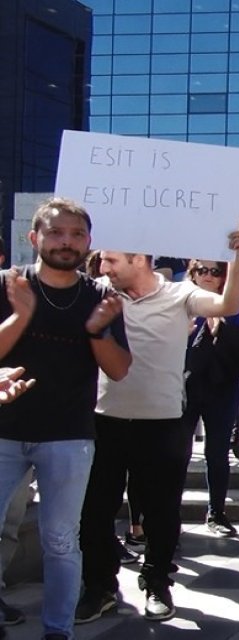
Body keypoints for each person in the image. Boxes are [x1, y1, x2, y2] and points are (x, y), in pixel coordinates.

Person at [76, 234, 239, 625]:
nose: (103, 268)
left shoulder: (180, 293)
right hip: (104, 419)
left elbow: (229, 304)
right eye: (101, 260)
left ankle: (157, 583)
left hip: (163, 422)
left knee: (162, 510)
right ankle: (99, 587)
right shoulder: (98, 293)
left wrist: (233, 258)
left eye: (111, 260)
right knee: (96, 510)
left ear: (139, 259)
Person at [0, 198, 131, 638]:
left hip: (69, 436)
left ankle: (59, 629)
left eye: (77, 234)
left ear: (89, 242)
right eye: (56, 232)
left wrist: (95, 330)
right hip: (4, 431)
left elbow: (118, 369)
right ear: (34, 238)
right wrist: (21, 314)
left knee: (60, 541)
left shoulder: (101, 296)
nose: (66, 242)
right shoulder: (9, 284)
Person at [181, 259, 239, 538]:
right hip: (184, 385)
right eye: (202, 270)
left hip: (220, 385)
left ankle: (216, 511)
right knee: (180, 452)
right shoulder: (181, 300)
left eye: (216, 271)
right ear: (193, 273)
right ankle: (168, 515)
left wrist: (220, 328)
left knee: (217, 452)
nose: (209, 276)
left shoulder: (232, 304)